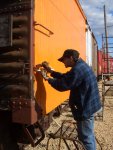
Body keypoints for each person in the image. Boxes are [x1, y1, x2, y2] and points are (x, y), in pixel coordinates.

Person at [40, 49, 101, 150]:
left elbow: (63, 85)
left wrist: (48, 79)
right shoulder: (81, 66)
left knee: (86, 138)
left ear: (71, 58)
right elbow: (67, 77)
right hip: (90, 106)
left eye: (64, 60)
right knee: (88, 135)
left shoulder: (77, 70)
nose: (63, 62)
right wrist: (52, 72)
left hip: (85, 109)